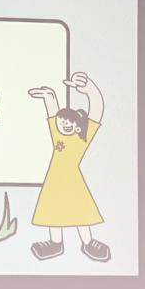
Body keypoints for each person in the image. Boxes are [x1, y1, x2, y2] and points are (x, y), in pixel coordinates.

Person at [27, 71, 110, 262]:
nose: (64, 124)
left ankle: (88, 242)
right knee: (53, 211)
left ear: (78, 127)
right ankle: (56, 243)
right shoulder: (57, 135)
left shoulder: (81, 138)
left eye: (69, 123)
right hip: (54, 181)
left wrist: (90, 89)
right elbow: (52, 112)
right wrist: (49, 97)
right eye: (61, 121)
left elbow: (96, 109)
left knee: (80, 211)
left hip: (74, 182)